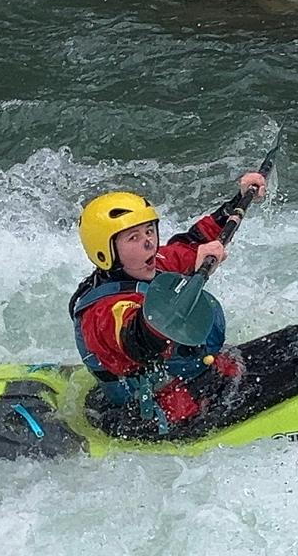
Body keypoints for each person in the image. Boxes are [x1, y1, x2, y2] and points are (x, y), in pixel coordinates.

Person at [69, 172, 268, 438]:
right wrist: (193, 281)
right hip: (163, 411)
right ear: (106, 252)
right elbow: (141, 340)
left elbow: (193, 243)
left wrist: (239, 200)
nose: (149, 242)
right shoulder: (102, 312)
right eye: (133, 238)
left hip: (195, 377)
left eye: (150, 231)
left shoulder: (152, 264)